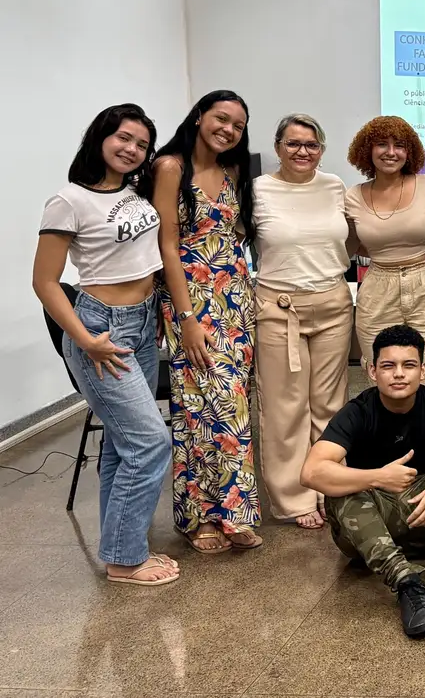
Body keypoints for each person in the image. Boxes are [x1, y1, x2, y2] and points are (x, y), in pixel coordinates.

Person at [33, 104, 178, 586]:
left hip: (142, 322)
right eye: (123, 138)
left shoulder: (135, 192)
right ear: (100, 137)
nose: (132, 149)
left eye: (141, 144)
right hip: (101, 328)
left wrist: (156, 314)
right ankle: (126, 559)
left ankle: (120, 549)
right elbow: (45, 282)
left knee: (121, 443)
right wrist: (84, 340)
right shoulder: (68, 200)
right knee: (151, 441)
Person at [303, 324, 425, 638]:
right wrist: (377, 476)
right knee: (340, 485)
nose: (398, 374)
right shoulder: (357, 412)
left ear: (422, 371)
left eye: (408, 365)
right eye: (388, 366)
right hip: (372, 530)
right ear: (372, 372)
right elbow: (311, 472)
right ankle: (407, 583)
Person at [153, 90, 261, 553]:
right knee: (200, 409)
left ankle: (233, 511)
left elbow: (234, 236)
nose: (229, 130)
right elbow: (166, 245)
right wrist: (186, 318)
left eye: (238, 125)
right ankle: (199, 517)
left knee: (234, 409)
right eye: (221, 119)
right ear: (199, 117)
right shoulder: (170, 168)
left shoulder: (233, 171)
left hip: (235, 300)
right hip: (192, 300)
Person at [251, 114, 353, 530]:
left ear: (322, 150)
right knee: (285, 407)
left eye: (311, 145)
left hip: (333, 303)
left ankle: (329, 485)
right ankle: (293, 498)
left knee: (330, 405)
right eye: (293, 143)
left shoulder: (334, 186)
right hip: (279, 307)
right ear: (278, 147)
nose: (302, 151)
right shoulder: (258, 190)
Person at [345, 115, 425, 397]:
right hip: (378, 289)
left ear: (410, 151)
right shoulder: (353, 196)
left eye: (399, 145)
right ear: (367, 150)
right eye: (382, 144)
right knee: (383, 380)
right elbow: (351, 246)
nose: (391, 152)